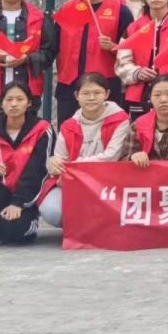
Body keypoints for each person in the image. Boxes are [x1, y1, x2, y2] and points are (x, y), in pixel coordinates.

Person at [38, 72, 130, 229]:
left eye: (97, 93)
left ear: (107, 94)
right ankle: (79, 229)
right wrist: (54, 164)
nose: (91, 98)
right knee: (52, 211)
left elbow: (110, 157)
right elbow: (60, 160)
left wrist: (73, 165)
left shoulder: (121, 120)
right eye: (86, 93)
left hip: (108, 183)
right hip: (75, 183)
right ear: (77, 96)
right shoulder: (68, 126)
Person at [0, 82, 52, 247]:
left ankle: (25, 222)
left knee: (16, 231)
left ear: (28, 103)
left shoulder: (42, 129)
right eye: (9, 99)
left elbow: (38, 171)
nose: (14, 104)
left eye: (20, 99)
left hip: (27, 199)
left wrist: (17, 203)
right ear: (1, 103)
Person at [51, 0, 134, 121]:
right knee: (69, 130)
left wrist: (113, 47)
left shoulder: (120, 10)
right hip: (70, 84)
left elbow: (133, 51)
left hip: (105, 85)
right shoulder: (68, 8)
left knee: (106, 131)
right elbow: (53, 45)